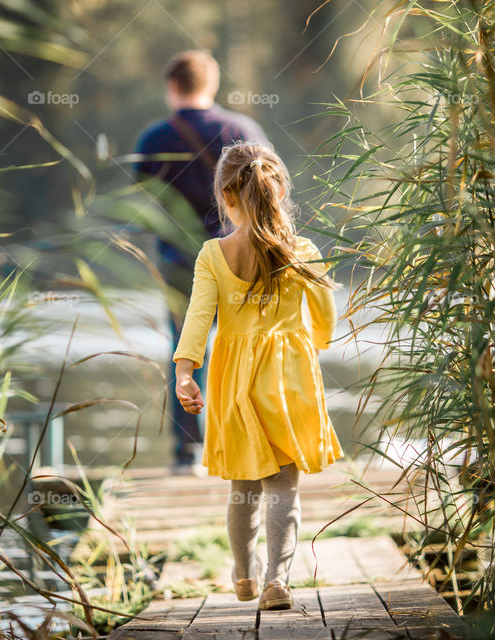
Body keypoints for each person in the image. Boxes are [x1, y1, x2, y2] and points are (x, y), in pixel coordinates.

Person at [171, 142, 343, 611]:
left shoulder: (212, 254)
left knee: (244, 487)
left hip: (234, 381)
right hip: (289, 378)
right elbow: (326, 321)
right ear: (280, 190)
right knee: (283, 485)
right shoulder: (303, 251)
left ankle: (243, 575)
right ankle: (276, 581)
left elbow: (197, 319)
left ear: (226, 196)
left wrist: (186, 372)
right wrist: (314, 341)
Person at [132, 50, 268, 474]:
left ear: (172, 87)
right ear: (212, 83)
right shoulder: (243, 129)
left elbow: (141, 206)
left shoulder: (154, 138)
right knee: (246, 346)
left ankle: (187, 454)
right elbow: (270, 193)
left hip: (179, 263)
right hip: (239, 256)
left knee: (186, 353)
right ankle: (248, 442)